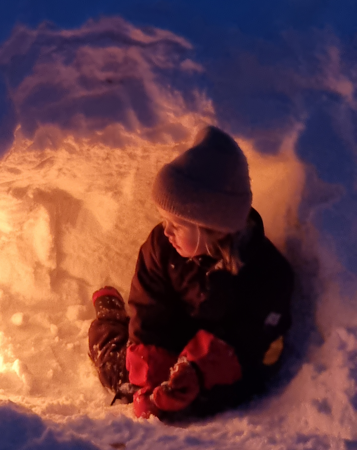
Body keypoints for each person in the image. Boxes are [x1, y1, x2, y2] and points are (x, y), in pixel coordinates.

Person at [87, 126, 294, 420]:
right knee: (119, 373)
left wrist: (196, 372)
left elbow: (252, 341)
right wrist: (150, 370)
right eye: (164, 220)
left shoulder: (267, 275)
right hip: (172, 336)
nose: (166, 231)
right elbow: (149, 305)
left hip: (216, 356)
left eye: (178, 225)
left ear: (213, 227)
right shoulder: (162, 246)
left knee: (208, 399)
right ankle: (108, 315)